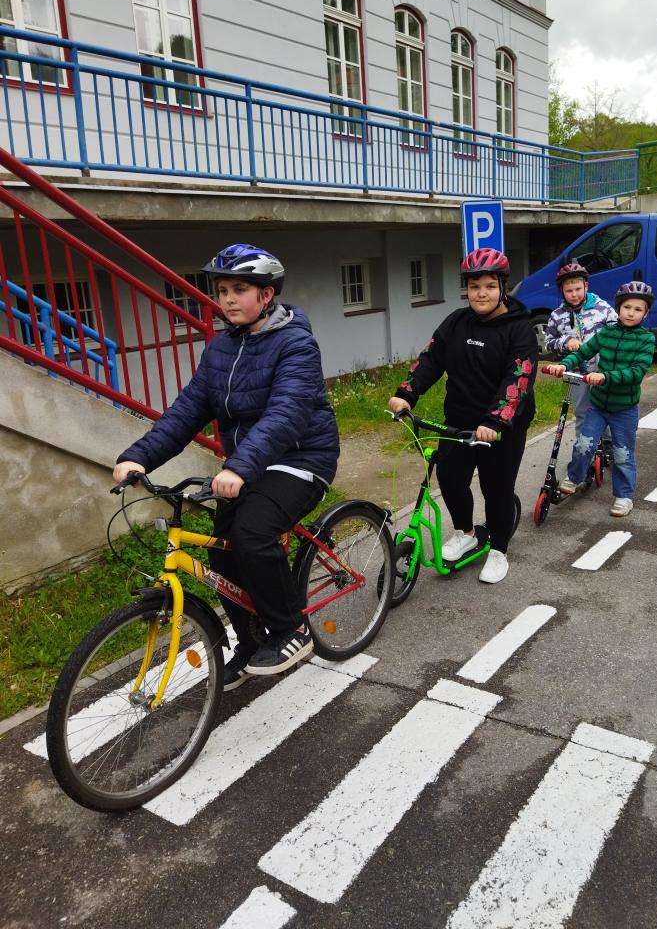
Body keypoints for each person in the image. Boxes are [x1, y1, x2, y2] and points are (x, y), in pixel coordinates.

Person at [112, 244, 340, 689]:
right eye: (222, 290)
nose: (228, 299)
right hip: (246, 463)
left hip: (300, 457)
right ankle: (251, 642)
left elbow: (287, 413)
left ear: (267, 295)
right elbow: (188, 410)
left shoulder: (296, 344)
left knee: (252, 534)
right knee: (221, 550)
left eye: (240, 289)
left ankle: (290, 628)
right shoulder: (221, 348)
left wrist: (239, 467)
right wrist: (139, 455)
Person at [387, 247, 537, 584]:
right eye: (474, 286)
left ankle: (499, 550)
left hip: (501, 426)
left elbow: (518, 379)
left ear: (503, 287)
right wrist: (406, 393)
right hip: (458, 419)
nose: (481, 293)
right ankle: (466, 533)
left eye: (489, 286)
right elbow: (430, 360)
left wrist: (495, 421)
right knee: (451, 478)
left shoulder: (519, 329)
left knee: (496, 488)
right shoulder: (456, 322)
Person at [544, 280, 656, 518]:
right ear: (619, 308)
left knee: (622, 454)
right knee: (584, 444)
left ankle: (624, 496)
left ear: (645, 314)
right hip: (598, 405)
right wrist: (564, 365)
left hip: (624, 409)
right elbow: (583, 352)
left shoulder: (646, 339)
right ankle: (575, 477)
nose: (631, 313)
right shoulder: (606, 333)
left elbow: (637, 372)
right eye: (627, 307)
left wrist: (605, 377)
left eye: (638, 309)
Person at [545, 261, 617, 467]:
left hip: (602, 371)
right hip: (576, 372)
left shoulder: (602, 308)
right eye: (569, 291)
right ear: (562, 291)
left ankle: (609, 444)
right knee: (582, 412)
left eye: (578, 289)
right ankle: (583, 454)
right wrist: (565, 342)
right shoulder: (557, 315)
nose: (574, 294)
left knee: (605, 408)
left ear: (586, 286)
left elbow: (618, 332)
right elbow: (548, 342)